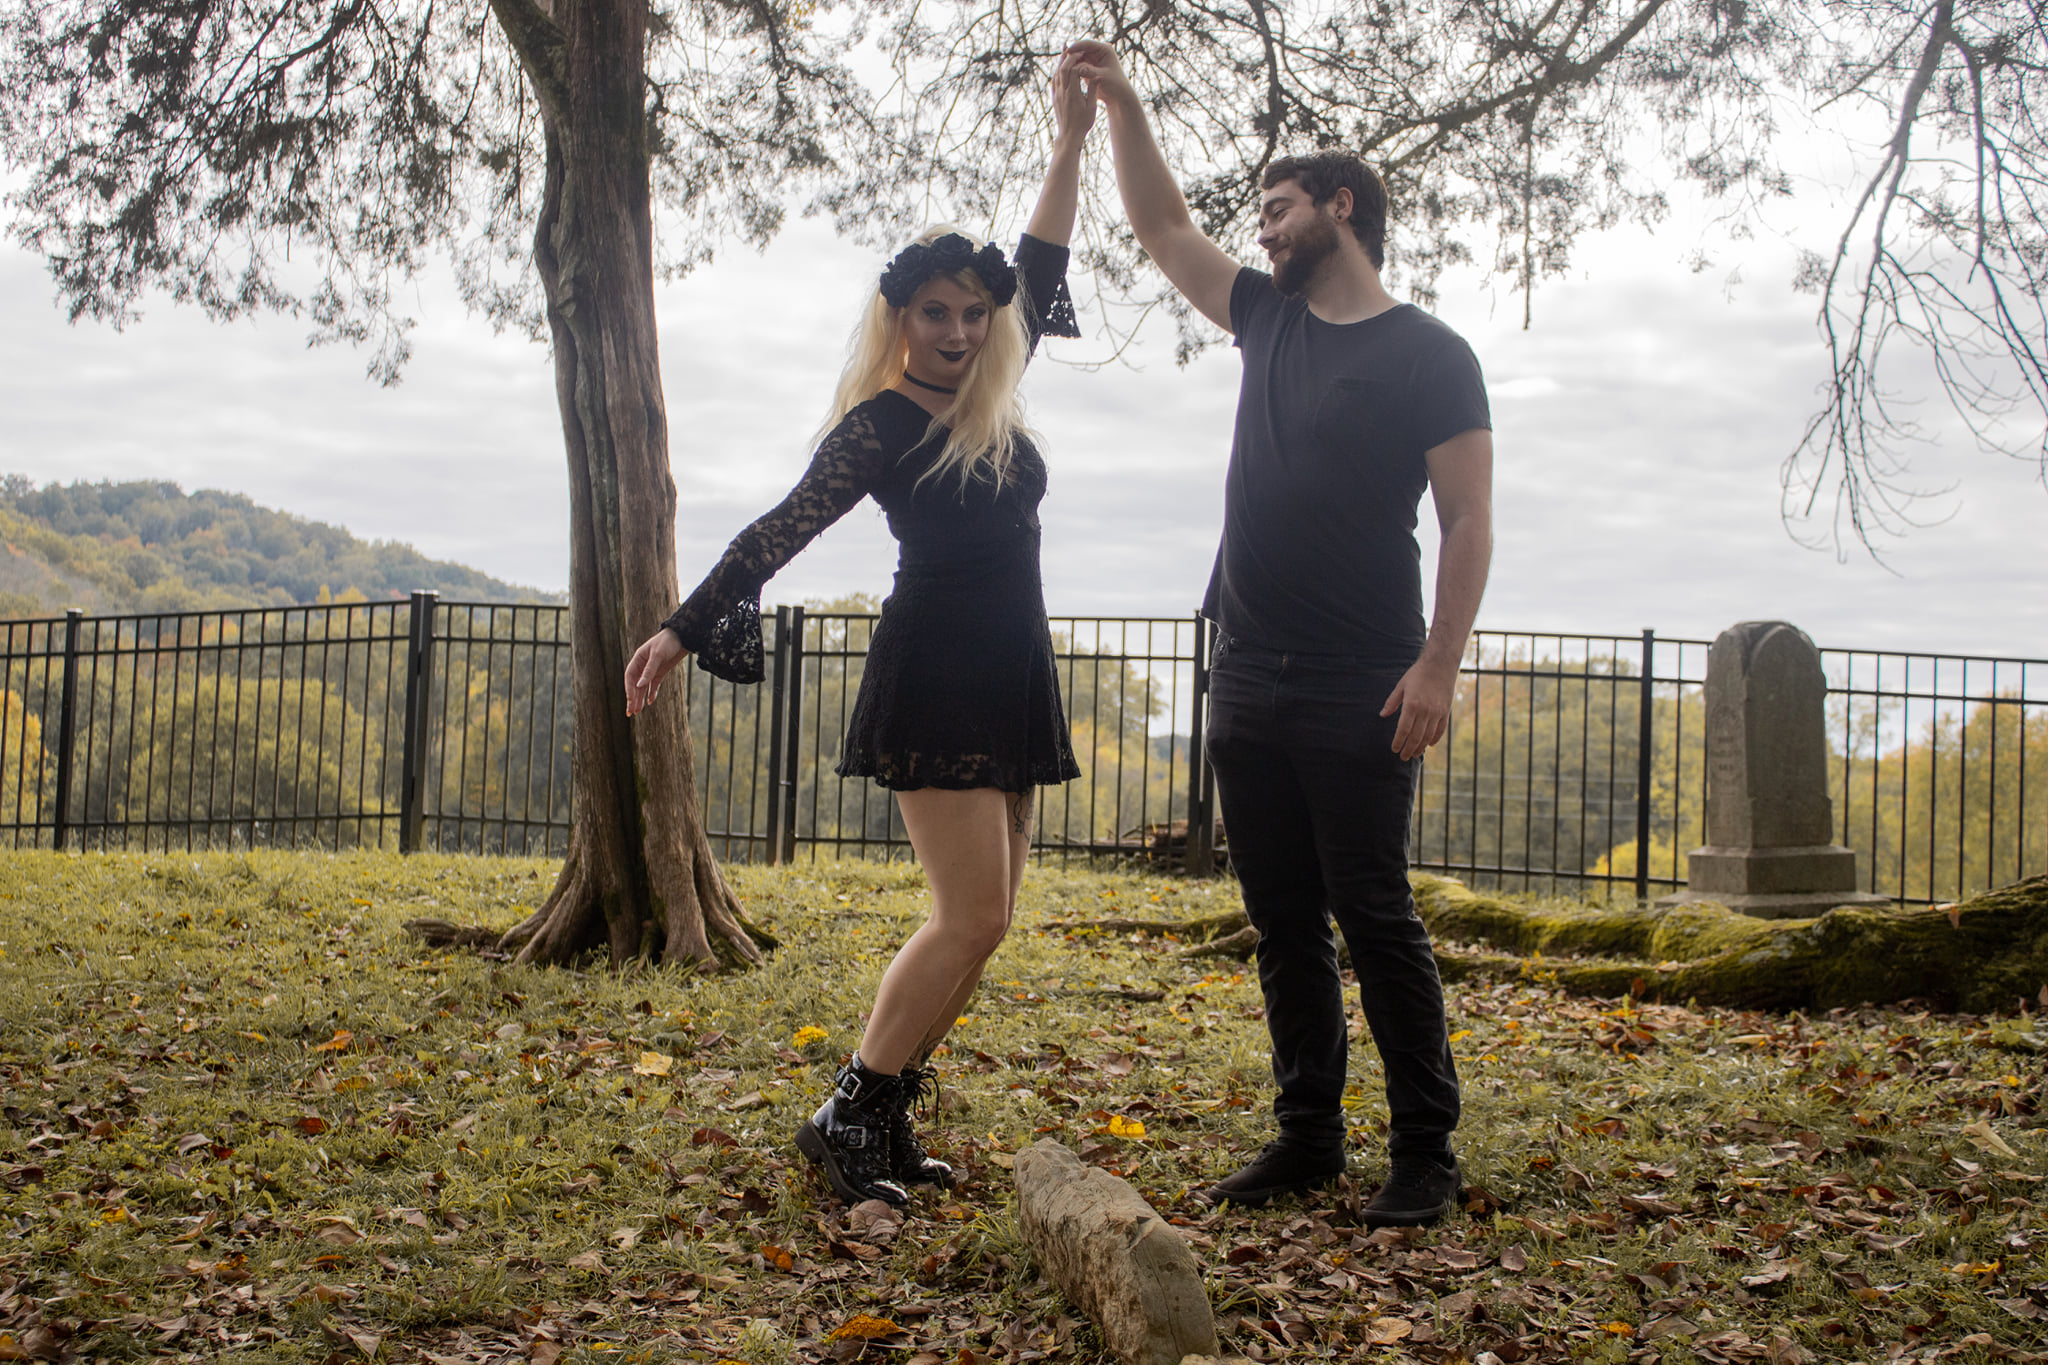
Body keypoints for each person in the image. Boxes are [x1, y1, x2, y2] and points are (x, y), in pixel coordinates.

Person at [622, 59, 1095, 1208]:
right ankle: (847, 1111)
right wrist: (681, 629)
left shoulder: (990, 394)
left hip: (1010, 672)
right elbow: (778, 528)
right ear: (898, 318)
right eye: (934, 312)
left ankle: (879, 1118)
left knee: (986, 927)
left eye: (972, 312)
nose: (958, 328)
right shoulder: (878, 425)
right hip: (935, 673)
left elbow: (1038, 261)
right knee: (967, 915)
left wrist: (1070, 140)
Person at [1068, 41, 1494, 1227]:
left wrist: (1437, 665)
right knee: (1281, 923)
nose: (1260, 230)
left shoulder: (1430, 355)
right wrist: (1125, 106)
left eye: (1278, 208)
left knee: (1375, 915)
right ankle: (1307, 1137)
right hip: (1246, 668)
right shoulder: (1264, 320)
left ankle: (1424, 1152)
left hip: (1363, 677)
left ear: (1339, 207)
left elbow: (1466, 520)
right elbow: (1161, 227)